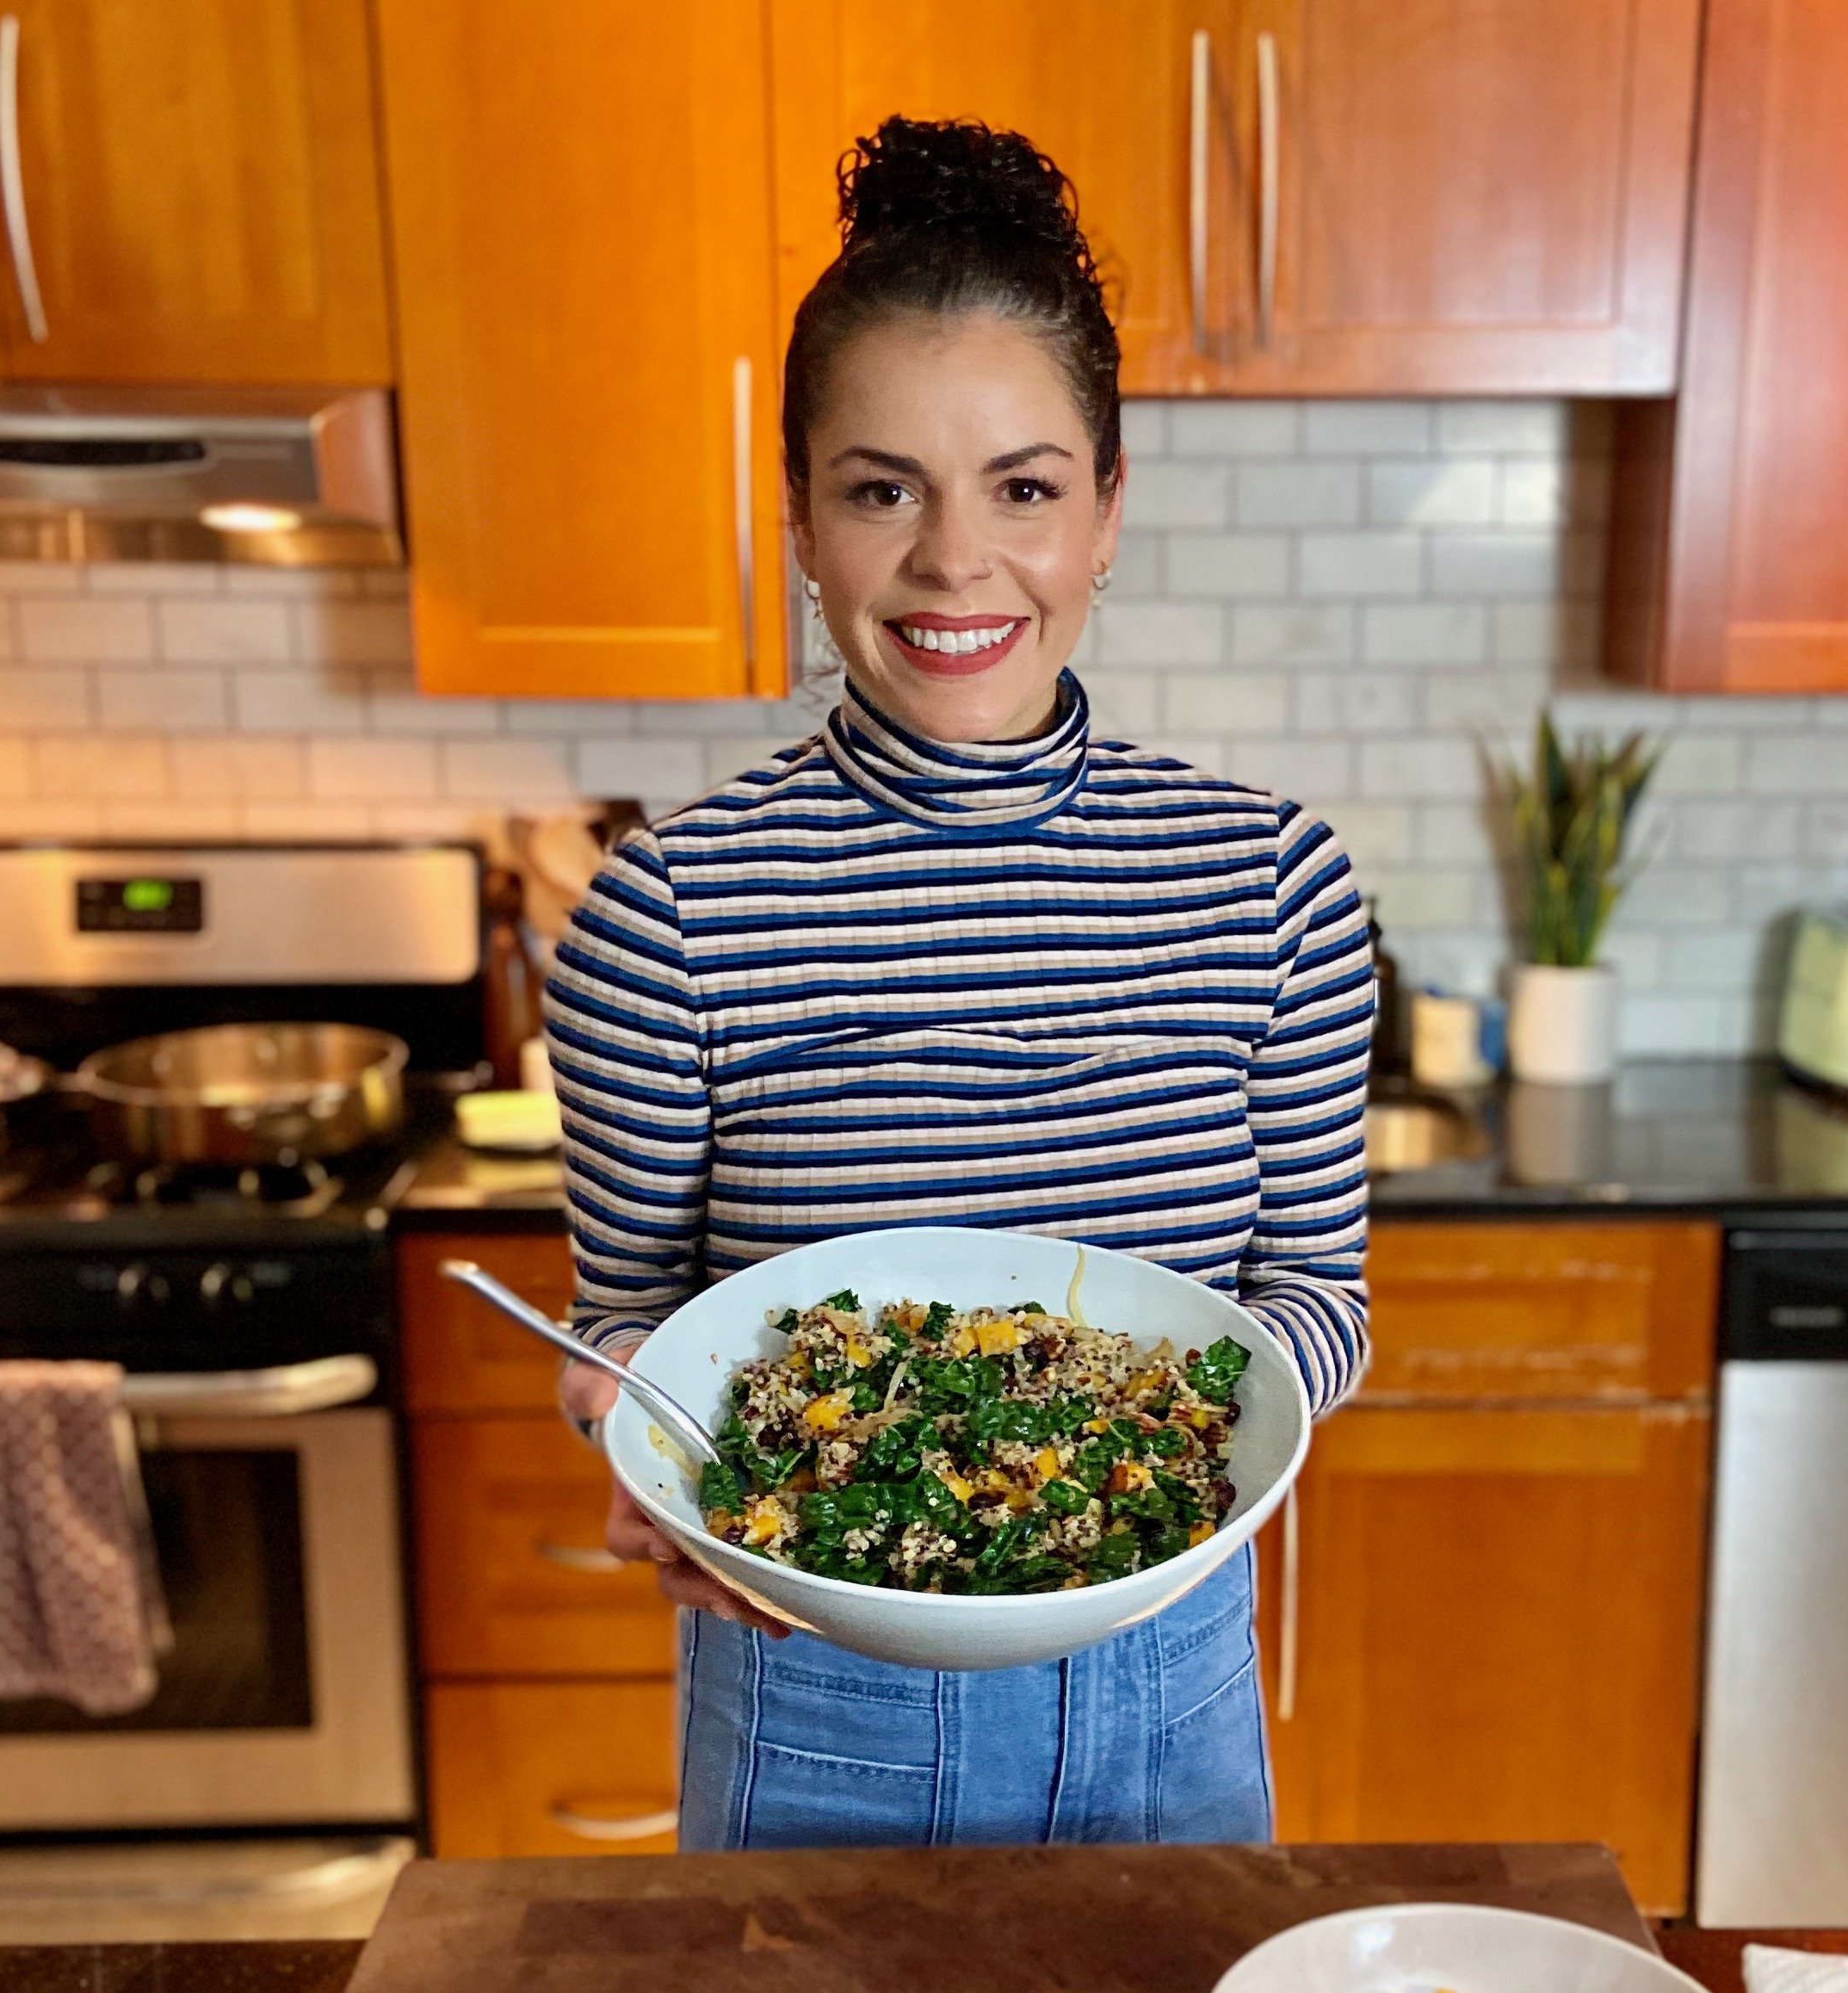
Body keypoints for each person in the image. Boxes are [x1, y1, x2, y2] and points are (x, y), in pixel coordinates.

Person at [548, 116, 1372, 1854]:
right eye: (880, 489)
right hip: (816, 1697)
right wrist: (637, 1440)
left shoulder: (1271, 882)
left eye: (1024, 487)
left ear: (1107, 510)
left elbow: (1319, 1295)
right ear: (799, 517)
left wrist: (1165, 1435)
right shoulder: (667, 912)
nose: (952, 561)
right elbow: (629, 1323)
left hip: (1170, 1680)